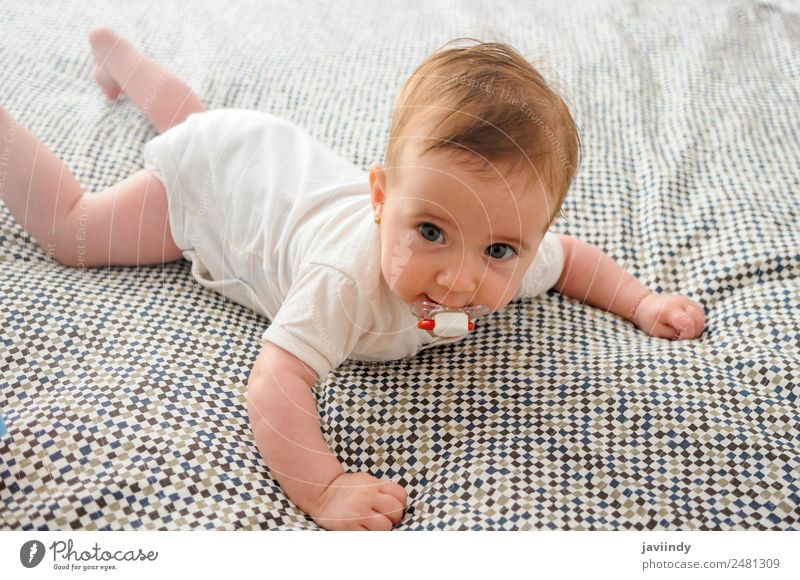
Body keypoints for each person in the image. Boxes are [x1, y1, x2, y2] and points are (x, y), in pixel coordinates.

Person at [0, 26, 705, 530]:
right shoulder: (345, 280)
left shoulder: (511, 246)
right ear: (380, 200)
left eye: (498, 252)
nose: (459, 280)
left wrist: (640, 302)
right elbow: (275, 380)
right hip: (215, 193)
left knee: (203, 121)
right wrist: (326, 486)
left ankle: (115, 52)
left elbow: (574, 259)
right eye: (429, 232)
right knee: (78, 231)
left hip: (265, 150)